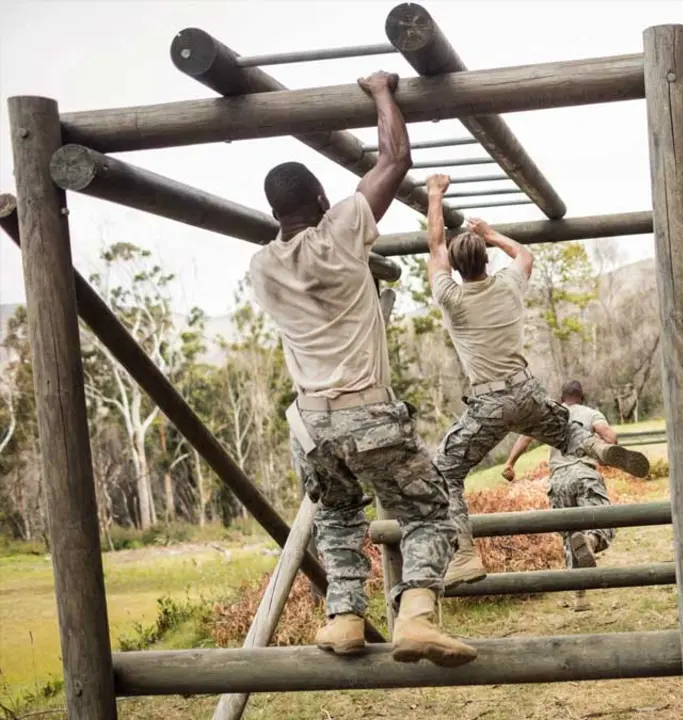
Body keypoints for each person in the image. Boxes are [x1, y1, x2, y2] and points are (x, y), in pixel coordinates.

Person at [248, 71, 474, 666]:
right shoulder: (342, 230)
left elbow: (293, 246)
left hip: (310, 427)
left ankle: (345, 619)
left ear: (275, 213)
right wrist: (380, 92)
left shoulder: (262, 268)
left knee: (339, 516)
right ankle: (418, 615)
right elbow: (394, 158)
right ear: (324, 202)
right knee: (429, 510)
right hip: (366, 413)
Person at [424, 190, 650, 589]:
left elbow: (435, 243)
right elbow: (525, 255)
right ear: (487, 260)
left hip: (489, 401)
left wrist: (434, 194)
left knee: (445, 471)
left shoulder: (451, 297)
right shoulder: (509, 285)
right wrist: (491, 233)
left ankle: (463, 555)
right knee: (564, 430)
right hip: (525, 389)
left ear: (457, 268)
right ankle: (598, 448)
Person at [502, 380, 617, 572]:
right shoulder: (591, 414)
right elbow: (611, 438)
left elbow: (526, 437)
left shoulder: (551, 416)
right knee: (603, 521)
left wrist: (510, 463)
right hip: (584, 475)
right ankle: (590, 540)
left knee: (570, 537)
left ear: (561, 398)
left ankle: (579, 596)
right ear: (582, 397)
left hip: (558, 481)